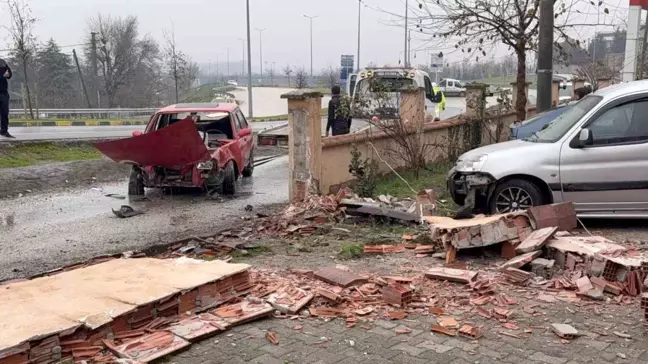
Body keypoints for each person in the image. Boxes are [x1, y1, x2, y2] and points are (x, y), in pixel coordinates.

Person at [0, 58, 13, 138]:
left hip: (3, 92)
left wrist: (8, 74)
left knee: (5, 112)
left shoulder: (2, 62)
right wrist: (2, 75)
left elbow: (9, 73)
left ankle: (4, 131)